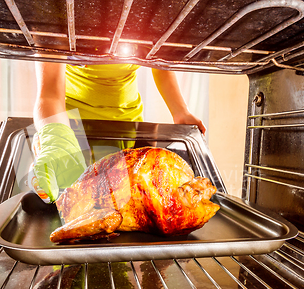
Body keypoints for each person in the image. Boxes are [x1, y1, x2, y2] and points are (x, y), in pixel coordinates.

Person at [30, 62, 206, 202]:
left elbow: (160, 63)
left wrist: (180, 111)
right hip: (71, 127)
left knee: (130, 195)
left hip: (128, 125)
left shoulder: (149, 18)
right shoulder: (62, 20)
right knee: (78, 198)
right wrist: (56, 139)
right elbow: (49, 94)